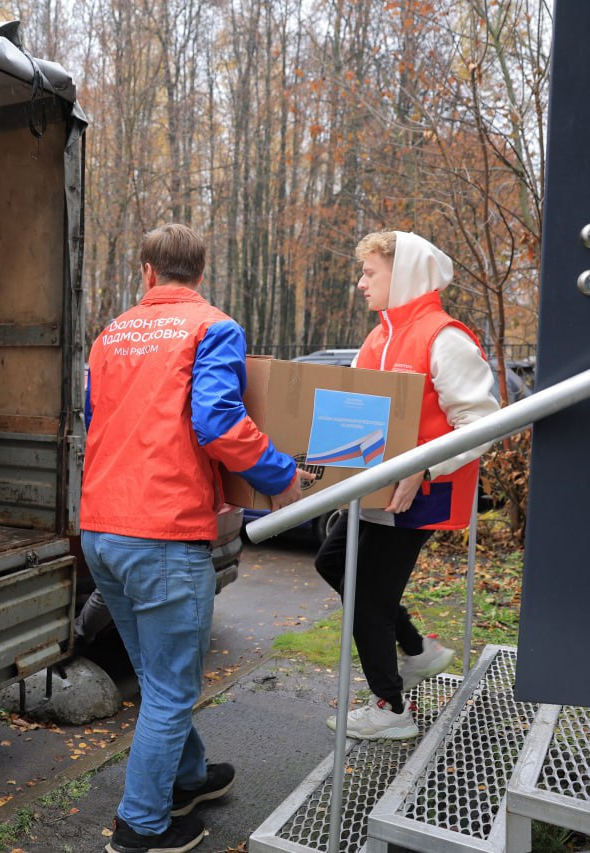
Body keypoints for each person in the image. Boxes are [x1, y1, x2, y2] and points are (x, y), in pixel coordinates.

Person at [82, 224, 311, 853]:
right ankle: (141, 829)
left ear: (148, 273)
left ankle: (186, 779)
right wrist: (281, 475)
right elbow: (217, 422)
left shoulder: (109, 336)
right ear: (198, 274)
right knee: (171, 686)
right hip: (164, 532)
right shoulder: (213, 326)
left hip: (102, 530)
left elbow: (93, 421)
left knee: (156, 674)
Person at [315, 230, 498, 740]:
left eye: (370, 272)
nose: (360, 283)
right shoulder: (377, 338)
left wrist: (426, 466)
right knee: (332, 562)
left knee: (369, 601)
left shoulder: (445, 337)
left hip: (418, 497)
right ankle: (419, 650)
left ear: (405, 273)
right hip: (375, 493)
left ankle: (391, 710)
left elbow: (483, 422)